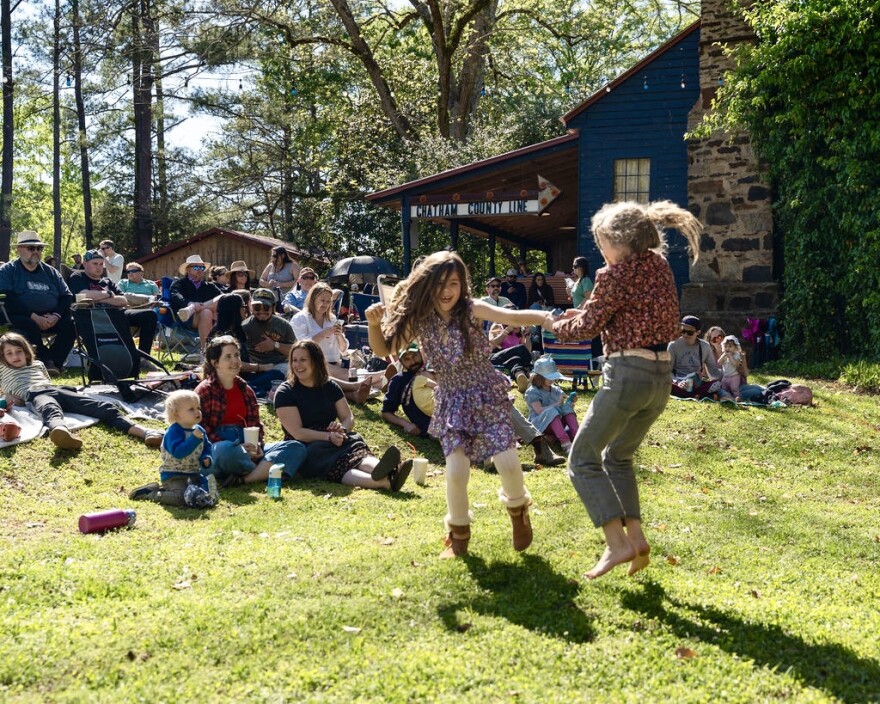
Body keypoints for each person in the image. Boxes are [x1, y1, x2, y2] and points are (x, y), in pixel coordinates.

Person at [367, 250, 555, 558]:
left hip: (485, 391)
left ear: (462, 285)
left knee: (507, 463)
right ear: (427, 284)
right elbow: (384, 347)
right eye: (440, 283)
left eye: (453, 283)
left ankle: (518, 509)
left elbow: (512, 317)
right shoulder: (419, 319)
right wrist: (374, 324)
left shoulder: (471, 308)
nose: (447, 290)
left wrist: (548, 318)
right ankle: (457, 534)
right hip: (452, 397)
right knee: (456, 471)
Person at [549, 199, 701, 580]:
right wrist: (582, 316)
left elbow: (587, 328)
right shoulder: (660, 267)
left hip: (627, 375)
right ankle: (637, 539)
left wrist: (556, 325)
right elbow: (623, 313)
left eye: (603, 243)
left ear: (622, 242)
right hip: (660, 379)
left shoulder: (613, 274)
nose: (601, 251)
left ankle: (615, 543)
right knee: (618, 458)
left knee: (582, 457)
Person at [382, 343, 564, 466]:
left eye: (414, 356)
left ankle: (540, 447)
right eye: (407, 359)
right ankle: (491, 459)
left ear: (420, 354)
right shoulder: (399, 381)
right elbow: (386, 412)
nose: (412, 362)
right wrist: (406, 424)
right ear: (401, 362)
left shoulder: (437, 371)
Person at [274, 340, 411, 491]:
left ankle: (386, 470)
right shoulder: (285, 392)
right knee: (336, 461)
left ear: (316, 361)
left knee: (355, 448)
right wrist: (328, 437)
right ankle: (384, 482)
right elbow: (297, 433)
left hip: (335, 438)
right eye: (294, 360)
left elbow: (348, 417)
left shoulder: (329, 386)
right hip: (306, 445)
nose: (297, 365)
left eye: (303, 360)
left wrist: (342, 430)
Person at [0, 331, 164, 450]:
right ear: (3, 357)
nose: (15, 356)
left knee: (102, 407)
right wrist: (6, 395)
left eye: (19, 351)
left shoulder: (38, 365)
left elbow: (47, 380)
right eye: (9, 353)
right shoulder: (2, 369)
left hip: (57, 389)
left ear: (26, 351)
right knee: (50, 410)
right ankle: (60, 432)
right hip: (35, 394)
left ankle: (145, 432)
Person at [195, 335, 306, 487]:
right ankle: (262, 470)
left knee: (296, 447)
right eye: (228, 357)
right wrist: (239, 449)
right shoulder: (204, 391)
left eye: (236, 355)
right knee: (226, 451)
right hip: (219, 450)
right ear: (215, 363)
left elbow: (256, 425)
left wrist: (258, 446)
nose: (235, 361)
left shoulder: (246, 390)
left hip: (247, 448)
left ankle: (246, 477)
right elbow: (201, 431)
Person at [0, 230, 75, 376]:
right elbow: (6, 297)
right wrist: (34, 316)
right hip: (19, 315)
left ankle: (55, 363)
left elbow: (66, 296)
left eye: (39, 248)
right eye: (31, 248)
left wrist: (56, 315)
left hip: (51, 316)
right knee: (28, 324)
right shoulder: (8, 270)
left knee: (71, 324)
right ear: (19, 249)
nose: (36, 252)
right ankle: (45, 360)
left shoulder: (51, 272)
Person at [128, 390, 218, 508]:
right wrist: (194, 439)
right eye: (191, 409)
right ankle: (151, 493)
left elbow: (207, 447)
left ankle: (193, 491)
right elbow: (179, 453)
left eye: (198, 407)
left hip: (194, 473)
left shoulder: (199, 430)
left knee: (203, 494)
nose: (197, 412)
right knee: (181, 498)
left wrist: (206, 458)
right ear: (176, 414)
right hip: (173, 475)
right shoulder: (173, 432)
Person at [69, 250, 159, 357]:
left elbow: (123, 300)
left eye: (101, 264)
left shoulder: (107, 281)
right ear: (85, 264)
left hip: (117, 313)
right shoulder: (78, 276)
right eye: (95, 264)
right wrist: (108, 294)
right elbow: (83, 294)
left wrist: (97, 298)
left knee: (149, 315)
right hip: (93, 316)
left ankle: (143, 358)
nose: (99, 267)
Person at [208, 292, 286, 397]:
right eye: (243, 306)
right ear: (234, 310)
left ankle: (250, 388)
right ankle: (246, 389)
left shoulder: (237, 329)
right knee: (275, 375)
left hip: (244, 376)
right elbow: (234, 364)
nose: (245, 309)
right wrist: (261, 367)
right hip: (228, 376)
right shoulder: (224, 336)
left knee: (277, 375)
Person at [291, 282, 349, 380]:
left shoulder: (332, 319)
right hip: (314, 364)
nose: (325, 304)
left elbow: (343, 350)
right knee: (351, 376)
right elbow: (302, 347)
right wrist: (323, 334)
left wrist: (339, 336)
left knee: (355, 375)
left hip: (334, 363)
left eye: (328, 301)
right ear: (313, 299)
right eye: (322, 300)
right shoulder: (300, 318)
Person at [524, 355, 579, 452]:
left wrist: (570, 402)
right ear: (539, 377)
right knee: (552, 411)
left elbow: (563, 407)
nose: (552, 380)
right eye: (549, 377)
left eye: (553, 377)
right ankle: (565, 443)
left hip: (557, 423)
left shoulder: (555, 389)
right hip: (540, 424)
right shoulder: (532, 391)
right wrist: (557, 403)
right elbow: (539, 410)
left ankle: (579, 438)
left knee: (566, 408)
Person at [169, 255, 222, 352]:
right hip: (187, 318)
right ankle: (206, 352)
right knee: (206, 312)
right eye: (196, 267)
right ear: (188, 270)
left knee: (222, 299)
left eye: (202, 267)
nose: (200, 270)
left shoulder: (210, 286)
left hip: (213, 317)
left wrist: (199, 306)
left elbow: (223, 297)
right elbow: (175, 296)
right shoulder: (179, 283)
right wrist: (190, 304)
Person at [242, 288, 296, 373]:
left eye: (266, 307)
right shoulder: (244, 327)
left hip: (279, 365)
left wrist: (275, 345)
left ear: (273, 307)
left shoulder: (284, 325)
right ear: (252, 308)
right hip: (255, 367)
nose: (262, 311)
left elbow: (295, 351)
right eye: (257, 307)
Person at [668, 315, 722, 398]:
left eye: (690, 333)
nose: (685, 335)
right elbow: (668, 371)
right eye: (683, 331)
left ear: (698, 332)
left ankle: (695, 394)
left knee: (717, 384)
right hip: (678, 382)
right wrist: (678, 382)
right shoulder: (673, 345)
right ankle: (700, 395)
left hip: (696, 383)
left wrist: (730, 374)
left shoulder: (705, 346)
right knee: (665, 385)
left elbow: (713, 371)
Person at [487, 307, 533, 393]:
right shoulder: (498, 325)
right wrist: (507, 330)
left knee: (515, 359)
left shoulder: (519, 331)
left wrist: (527, 336)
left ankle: (521, 377)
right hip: (495, 356)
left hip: (511, 359)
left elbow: (528, 351)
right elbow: (492, 345)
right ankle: (528, 373)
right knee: (520, 349)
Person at [718, 334, 749, 400]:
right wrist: (724, 356)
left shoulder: (736, 355)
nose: (727, 348)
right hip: (725, 376)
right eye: (726, 347)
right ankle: (728, 397)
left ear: (735, 348)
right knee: (724, 388)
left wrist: (730, 357)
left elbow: (735, 364)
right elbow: (719, 362)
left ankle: (737, 397)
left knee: (734, 388)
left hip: (734, 376)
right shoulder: (724, 355)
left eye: (730, 346)